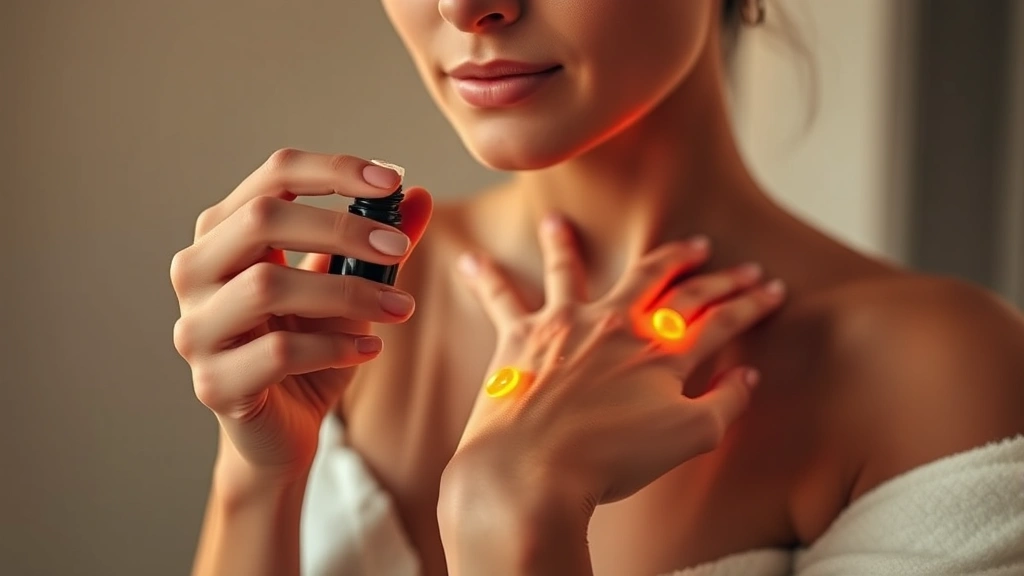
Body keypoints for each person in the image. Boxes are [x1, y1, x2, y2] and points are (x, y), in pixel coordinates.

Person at [170, 0, 1024, 574]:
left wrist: (513, 520)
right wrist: (259, 478)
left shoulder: (929, 376)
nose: (465, 6)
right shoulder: (341, 313)